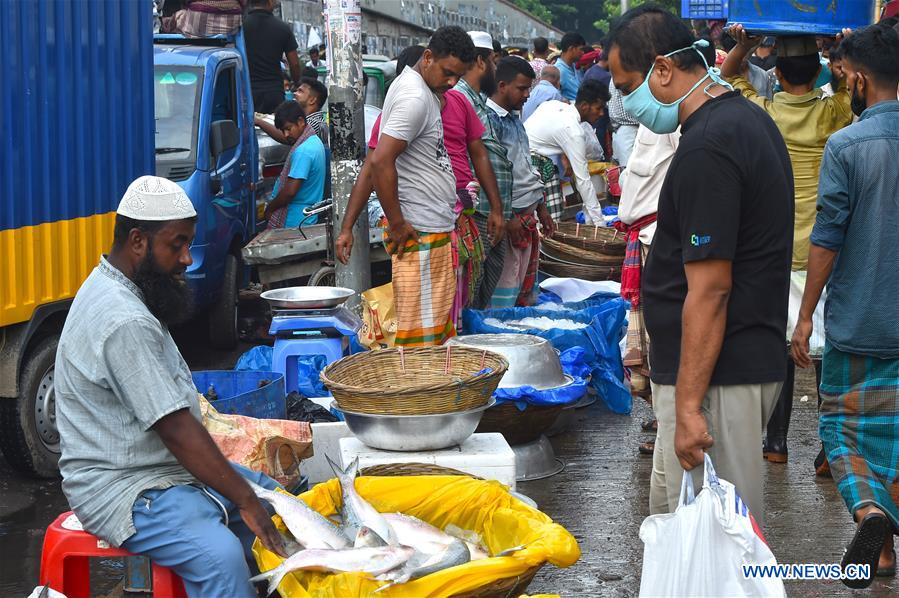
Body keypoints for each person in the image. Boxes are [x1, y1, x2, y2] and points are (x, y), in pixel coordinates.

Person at [54, 176, 286, 598]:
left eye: (188, 244)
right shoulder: (123, 318)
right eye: (177, 245)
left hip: (162, 470)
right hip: (124, 486)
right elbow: (176, 428)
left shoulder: (125, 286)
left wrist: (254, 496)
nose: (186, 258)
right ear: (138, 241)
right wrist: (245, 502)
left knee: (286, 505)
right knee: (221, 558)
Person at [607, 6, 793, 530]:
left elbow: (710, 289)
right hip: (713, 371)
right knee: (678, 527)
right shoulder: (738, 120)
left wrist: (689, 407)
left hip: (718, 379)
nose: (626, 102)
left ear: (662, 69)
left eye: (627, 86)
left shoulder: (710, 144)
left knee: (718, 540)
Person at [791, 25, 899, 588]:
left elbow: (827, 236)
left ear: (858, 78)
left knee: (845, 431)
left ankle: (871, 516)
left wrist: (806, 314)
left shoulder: (848, 145)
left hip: (858, 321)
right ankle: (882, 553)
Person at [722, 26, 853, 465]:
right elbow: (852, 83)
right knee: (821, 345)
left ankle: (775, 442)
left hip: (772, 246)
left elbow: (728, 75)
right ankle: (826, 446)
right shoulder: (833, 111)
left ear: (776, 72)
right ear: (816, 72)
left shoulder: (761, 111)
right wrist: (838, 48)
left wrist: (742, 44)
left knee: (780, 341)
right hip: (823, 247)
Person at [368, 27, 474, 347]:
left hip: (431, 228)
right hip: (420, 230)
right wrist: (398, 222)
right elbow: (380, 161)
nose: (452, 83)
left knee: (432, 333)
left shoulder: (424, 90)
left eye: (459, 77)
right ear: (427, 58)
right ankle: (416, 395)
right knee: (419, 340)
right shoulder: (415, 97)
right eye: (448, 73)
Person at [615, 123, 680, 459]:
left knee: (664, 344)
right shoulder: (648, 123)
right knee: (652, 346)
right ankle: (665, 420)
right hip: (645, 239)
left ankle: (672, 427)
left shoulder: (674, 124)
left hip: (659, 241)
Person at [484, 57, 555, 307]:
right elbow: (493, 174)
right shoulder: (490, 121)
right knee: (506, 285)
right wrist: (508, 215)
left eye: (529, 89)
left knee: (521, 282)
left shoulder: (514, 120)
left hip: (526, 213)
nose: (527, 95)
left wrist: (541, 207)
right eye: (522, 89)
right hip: (510, 218)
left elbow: (525, 167)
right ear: (502, 86)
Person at [524, 79, 609, 225]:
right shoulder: (573, 131)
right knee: (549, 221)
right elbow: (583, 180)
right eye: (598, 108)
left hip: (527, 158)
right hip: (531, 164)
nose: (601, 113)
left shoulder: (556, 105)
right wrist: (600, 223)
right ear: (584, 106)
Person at [261, 101, 327, 227]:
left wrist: (270, 209)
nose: (286, 135)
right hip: (305, 217)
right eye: (282, 130)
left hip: (294, 222)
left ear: (301, 121)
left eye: (288, 129)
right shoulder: (313, 140)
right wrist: (259, 121)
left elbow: (290, 192)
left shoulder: (304, 151)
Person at [244, 0, 300, 113]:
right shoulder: (283, 28)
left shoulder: (241, 27)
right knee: (276, 128)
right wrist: (296, 83)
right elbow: (294, 63)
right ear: (270, 2)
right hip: (274, 92)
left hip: (247, 92)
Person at [293, 76, 329, 146]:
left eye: (300, 91)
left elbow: (287, 139)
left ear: (312, 100)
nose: (295, 93)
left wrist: (264, 124)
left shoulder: (313, 124)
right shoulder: (314, 121)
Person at [557, 32, 587, 101]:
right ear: (571, 49)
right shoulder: (558, 71)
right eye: (581, 49)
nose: (583, 53)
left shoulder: (576, 68)